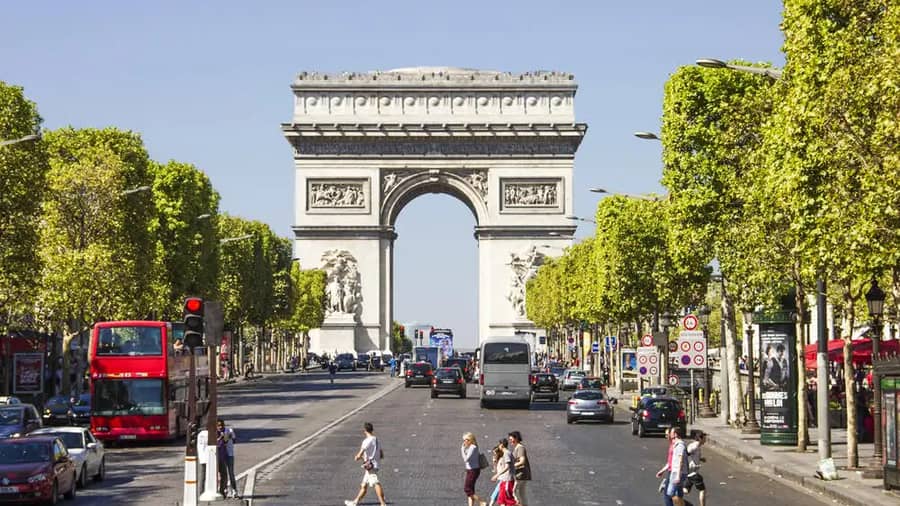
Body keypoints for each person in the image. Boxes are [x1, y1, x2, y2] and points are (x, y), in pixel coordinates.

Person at [345, 422, 386, 506]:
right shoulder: (376, 440)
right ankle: (355, 502)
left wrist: (357, 457)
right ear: (372, 430)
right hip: (374, 465)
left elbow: (360, 453)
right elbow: (381, 454)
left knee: (375, 483)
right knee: (364, 485)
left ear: (365, 431)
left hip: (370, 466)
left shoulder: (366, 441)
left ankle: (383, 503)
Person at [656, 426, 688, 506]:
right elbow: (671, 462)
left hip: (677, 473)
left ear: (675, 434)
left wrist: (678, 476)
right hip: (675, 471)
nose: (669, 435)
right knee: (678, 493)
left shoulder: (680, 445)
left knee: (669, 494)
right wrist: (662, 471)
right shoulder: (674, 445)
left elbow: (680, 461)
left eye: (670, 433)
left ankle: (665, 485)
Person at [461, 432, 487, 506]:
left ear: (471, 440)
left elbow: (466, 459)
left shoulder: (473, 447)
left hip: (473, 471)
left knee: (467, 489)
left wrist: (462, 449)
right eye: (464, 440)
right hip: (470, 470)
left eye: (467, 440)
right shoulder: (470, 447)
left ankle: (482, 502)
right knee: (471, 490)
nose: (465, 442)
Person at [490, 439, 516, 506]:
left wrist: (496, 475)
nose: (498, 446)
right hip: (504, 480)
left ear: (501, 445)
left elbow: (507, 467)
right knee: (502, 500)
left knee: (509, 501)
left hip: (507, 480)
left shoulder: (506, 453)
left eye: (499, 445)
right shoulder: (507, 453)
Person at [216, 418, 238, 498]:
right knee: (223, 474)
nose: (220, 427)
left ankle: (234, 490)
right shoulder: (216, 433)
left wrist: (229, 436)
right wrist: (221, 437)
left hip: (229, 454)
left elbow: (234, 440)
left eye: (222, 425)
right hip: (221, 455)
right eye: (218, 425)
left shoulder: (229, 430)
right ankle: (224, 490)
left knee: (231, 473)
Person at [683, 431, 707, 506]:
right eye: (704, 439)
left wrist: (701, 459)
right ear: (700, 438)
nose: (705, 440)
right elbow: (685, 454)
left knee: (686, 490)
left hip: (691, 473)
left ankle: (667, 487)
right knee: (702, 490)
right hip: (693, 472)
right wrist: (690, 465)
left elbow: (693, 456)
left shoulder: (697, 446)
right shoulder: (694, 446)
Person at [508, 431, 530, 505]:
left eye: (511, 439)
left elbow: (522, 461)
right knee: (522, 493)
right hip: (522, 474)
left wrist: (512, 466)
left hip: (521, 474)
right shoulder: (517, 447)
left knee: (513, 492)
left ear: (516, 438)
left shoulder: (520, 448)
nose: (510, 441)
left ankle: (518, 504)